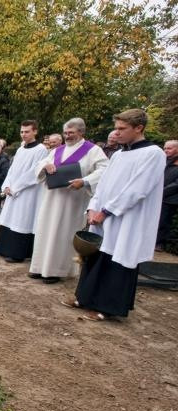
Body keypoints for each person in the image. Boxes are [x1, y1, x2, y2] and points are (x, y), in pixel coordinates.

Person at [67, 109, 166, 320]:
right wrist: (92, 207)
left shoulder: (153, 154)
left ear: (139, 128)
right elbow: (102, 184)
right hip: (102, 216)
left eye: (122, 129)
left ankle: (107, 308)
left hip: (127, 219)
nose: (117, 133)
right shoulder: (119, 154)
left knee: (118, 260)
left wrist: (107, 211)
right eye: (116, 128)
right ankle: (84, 298)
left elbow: (138, 189)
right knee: (96, 257)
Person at [29, 117, 107, 283]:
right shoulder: (57, 150)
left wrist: (85, 181)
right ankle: (39, 267)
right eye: (65, 132)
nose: (67, 136)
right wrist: (45, 166)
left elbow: (104, 170)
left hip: (73, 200)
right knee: (45, 230)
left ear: (81, 132)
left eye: (71, 132)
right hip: (51, 198)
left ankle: (56, 270)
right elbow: (41, 164)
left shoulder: (93, 150)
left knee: (63, 233)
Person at [0, 120, 49, 262]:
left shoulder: (41, 150)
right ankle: (3, 248)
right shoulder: (21, 149)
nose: (23, 134)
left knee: (21, 220)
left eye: (27, 131)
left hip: (27, 192)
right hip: (12, 190)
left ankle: (17, 253)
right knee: (10, 219)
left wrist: (16, 187)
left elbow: (34, 173)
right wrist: (6, 185)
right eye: (22, 132)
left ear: (35, 131)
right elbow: (12, 170)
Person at [156, 140, 178, 251]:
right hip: (157, 196)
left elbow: (176, 184)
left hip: (169, 199)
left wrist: (161, 191)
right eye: (165, 148)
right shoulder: (162, 160)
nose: (166, 150)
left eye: (169, 148)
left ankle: (159, 244)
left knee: (163, 221)